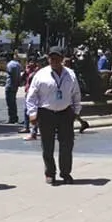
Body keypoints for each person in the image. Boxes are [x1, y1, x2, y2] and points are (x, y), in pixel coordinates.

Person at [25, 47, 82, 185]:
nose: (54, 61)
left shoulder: (70, 74)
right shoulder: (41, 75)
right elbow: (32, 96)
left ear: (62, 59)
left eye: (57, 58)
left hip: (65, 112)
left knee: (67, 144)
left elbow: (76, 94)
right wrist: (32, 113)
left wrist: (76, 111)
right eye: (51, 58)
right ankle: (50, 173)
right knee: (47, 145)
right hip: (46, 113)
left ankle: (65, 173)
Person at [5, 52, 22, 124]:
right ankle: (14, 117)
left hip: (10, 85)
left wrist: (14, 84)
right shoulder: (18, 64)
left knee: (10, 102)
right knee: (13, 102)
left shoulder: (10, 64)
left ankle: (12, 118)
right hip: (15, 85)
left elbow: (13, 75)